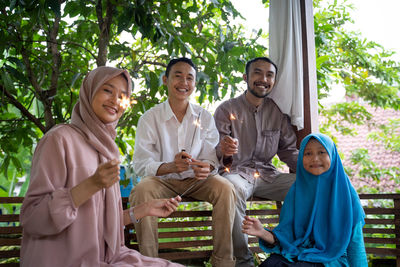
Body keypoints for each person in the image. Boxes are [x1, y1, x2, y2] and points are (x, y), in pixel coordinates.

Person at [20, 66, 183, 267]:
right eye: (107, 90)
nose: (115, 100)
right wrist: (92, 184)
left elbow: (96, 226)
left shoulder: (107, 149)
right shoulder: (59, 140)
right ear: (89, 91)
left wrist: (144, 209)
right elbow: (32, 218)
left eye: (122, 96)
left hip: (107, 258)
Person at [129, 57, 236, 267]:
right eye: (177, 76)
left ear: (194, 84)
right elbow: (141, 164)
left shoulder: (204, 117)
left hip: (197, 181)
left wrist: (206, 167)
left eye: (190, 78)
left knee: (226, 188)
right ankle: (150, 262)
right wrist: (169, 166)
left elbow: (210, 157)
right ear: (165, 80)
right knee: (142, 190)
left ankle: (223, 262)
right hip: (161, 181)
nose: (184, 83)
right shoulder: (150, 118)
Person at [213, 56, 299, 266]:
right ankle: (244, 262)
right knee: (231, 188)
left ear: (274, 81)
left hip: (268, 175)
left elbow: (289, 151)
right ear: (246, 77)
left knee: (308, 186)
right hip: (236, 174)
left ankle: (292, 251)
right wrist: (224, 151)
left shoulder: (277, 112)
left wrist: (317, 174)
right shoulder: (226, 110)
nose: (263, 79)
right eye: (257, 73)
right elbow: (214, 151)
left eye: (269, 75)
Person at [242, 133, 368, 267]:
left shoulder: (346, 193)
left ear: (332, 155)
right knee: (271, 264)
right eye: (308, 154)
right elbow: (287, 238)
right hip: (299, 253)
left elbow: (356, 242)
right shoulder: (297, 191)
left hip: (332, 259)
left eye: (321, 152)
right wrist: (262, 232)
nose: (315, 158)